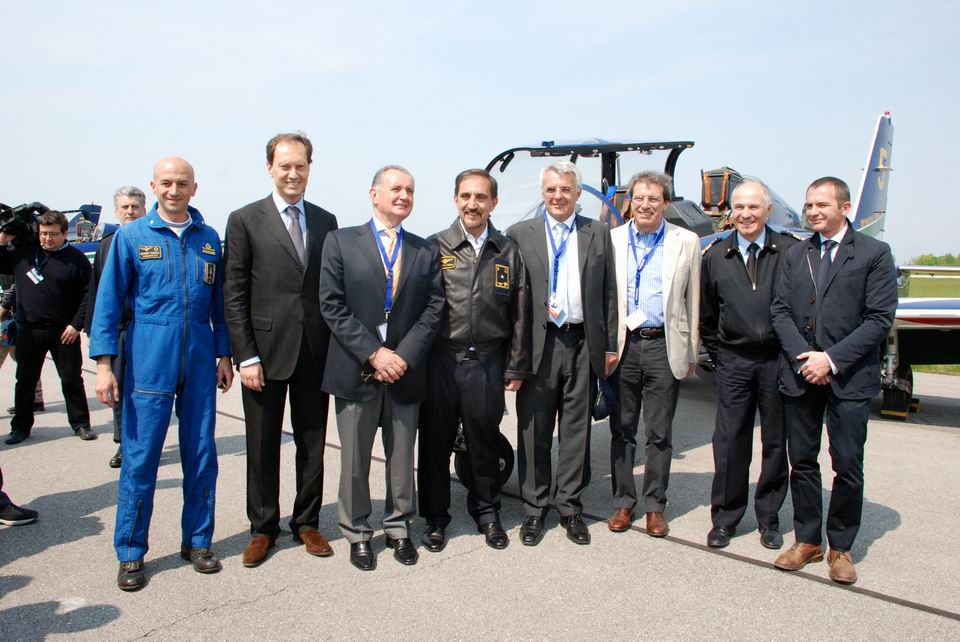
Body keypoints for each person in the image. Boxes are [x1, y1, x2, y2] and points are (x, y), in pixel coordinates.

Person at [90, 157, 233, 591]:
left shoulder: (208, 239)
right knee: (141, 457)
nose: (174, 190)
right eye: (166, 183)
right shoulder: (131, 237)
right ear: (154, 186)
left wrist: (224, 354)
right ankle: (131, 550)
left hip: (200, 356)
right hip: (149, 356)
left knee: (201, 454)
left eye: (182, 183)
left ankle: (198, 541)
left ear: (195, 188)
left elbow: (220, 304)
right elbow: (108, 303)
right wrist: (104, 365)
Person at [770, 176, 897, 585]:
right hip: (802, 375)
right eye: (809, 205)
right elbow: (780, 311)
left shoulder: (874, 254)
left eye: (821, 205)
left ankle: (841, 546)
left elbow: (879, 318)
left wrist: (831, 360)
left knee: (847, 464)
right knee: (803, 462)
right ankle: (807, 540)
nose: (813, 212)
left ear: (844, 208)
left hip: (849, 378)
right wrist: (805, 359)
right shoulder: (796, 254)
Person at [319, 165, 444, 571]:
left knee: (401, 458)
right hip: (357, 369)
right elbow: (331, 305)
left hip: (405, 371)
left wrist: (402, 356)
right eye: (396, 188)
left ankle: (398, 528)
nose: (404, 196)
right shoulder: (340, 241)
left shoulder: (425, 250)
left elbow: (434, 309)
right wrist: (375, 353)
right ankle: (357, 532)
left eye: (410, 190)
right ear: (374, 194)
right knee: (355, 460)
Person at [224, 132, 339, 567]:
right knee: (262, 444)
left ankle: (307, 522)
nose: (293, 173)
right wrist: (246, 356)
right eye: (285, 165)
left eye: (301, 166)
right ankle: (263, 528)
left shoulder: (326, 220)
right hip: (264, 355)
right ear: (270, 167)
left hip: (314, 352)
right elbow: (234, 293)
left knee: (313, 443)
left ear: (310, 168)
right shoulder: (244, 219)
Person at [505, 160, 618, 547]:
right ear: (543, 193)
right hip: (538, 345)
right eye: (551, 189)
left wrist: (609, 345)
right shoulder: (519, 234)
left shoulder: (597, 233)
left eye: (566, 189)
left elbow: (609, 293)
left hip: (582, 343)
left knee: (575, 431)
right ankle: (534, 508)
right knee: (533, 430)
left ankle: (569, 506)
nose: (558, 196)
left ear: (577, 193)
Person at [418, 169, 530, 552]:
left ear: (493, 203)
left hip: (487, 362)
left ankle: (487, 512)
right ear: (455, 200)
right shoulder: (435, 247)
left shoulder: (508, 251)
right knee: (435, 444)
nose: (472, 204)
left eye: (481, 197)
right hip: (442, 362)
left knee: (483, 441)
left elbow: (520, 313)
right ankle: (435, 518)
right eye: (465, 196)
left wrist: (516, 364)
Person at [700, 179, 797, 549]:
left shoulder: (789, 252)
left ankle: (769, 520)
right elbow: (707, 316)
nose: (746, 214)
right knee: (729, 442)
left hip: (778, 362)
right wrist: (722, 357)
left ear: (767, 211)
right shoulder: (716, 257)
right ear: (731, 212)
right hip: (734, 362)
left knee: (775, 443)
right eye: (739, 207)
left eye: (754, 207)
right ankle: (725, 519)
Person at [606, 171, 700, 538]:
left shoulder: (686, 241)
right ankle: (623, 502)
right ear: (629, 201)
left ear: (665, 203)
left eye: (654, 199)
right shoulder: (612, 240)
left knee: (659, 432)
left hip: (663, 344)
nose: (646, 205)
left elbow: (693, 300)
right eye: (639, 198)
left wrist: (691, 351)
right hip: (624, 346)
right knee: (622, 428)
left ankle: (655, 506)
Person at [0, 210, 93, 445]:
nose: (47, 239)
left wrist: (76, 325)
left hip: (64, 331)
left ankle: (81, 424)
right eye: (43, 234)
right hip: (29, 330)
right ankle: (20, 428)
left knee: (71, 379)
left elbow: (88, 295)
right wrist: (4, 237)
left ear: (64, 233)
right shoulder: (24, 254)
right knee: (25, 381)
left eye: (53, 234)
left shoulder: (76, 259)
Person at [85, 186, 147, 468]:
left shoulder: (154, 240)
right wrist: (94, 332)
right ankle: (124, 444)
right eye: (125, 207)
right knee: (120, 391)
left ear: (144, 209)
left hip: (147, 330)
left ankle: (147, 443)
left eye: (135, 206)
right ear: (116, 211)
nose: (130, 212)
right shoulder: (106, 245)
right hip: (120, 330)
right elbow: (98, 292)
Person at [1, 276, 45, 414]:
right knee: (25, 361)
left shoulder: (11, 264)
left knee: (25, 361)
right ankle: (35, 398)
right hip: (11, 317)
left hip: (9, 318)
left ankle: (35, 399)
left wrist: (4, 306)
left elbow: (16, 284)